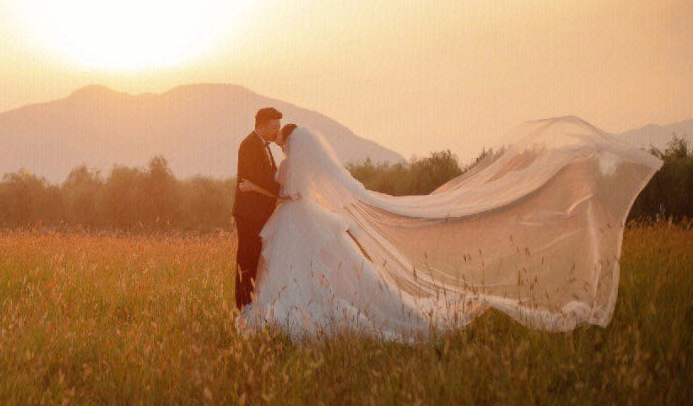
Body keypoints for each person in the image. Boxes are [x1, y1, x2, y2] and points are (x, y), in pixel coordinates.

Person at [235, 116, 663, 342]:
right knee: (330, 272)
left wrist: (266, 190)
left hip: (295, 217)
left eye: (280, 139)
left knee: (301, 274)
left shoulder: (290, 162)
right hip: (303, 217)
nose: (278, 142)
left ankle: (276, 314)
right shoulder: (298, 160)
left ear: (290, 142)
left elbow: (286, 191)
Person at [231, 107, 292, 310]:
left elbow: (269, 178)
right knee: (247, 260)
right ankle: (244, 307)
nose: (277, 131)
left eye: (279, 127)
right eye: (274, 127)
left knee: (256, 259)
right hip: (249, 214)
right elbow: (264, 180)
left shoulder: (264, 146)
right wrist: (286, 190)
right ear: (261, 126)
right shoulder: (250, 145)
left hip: (259, 214)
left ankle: (250, 305)